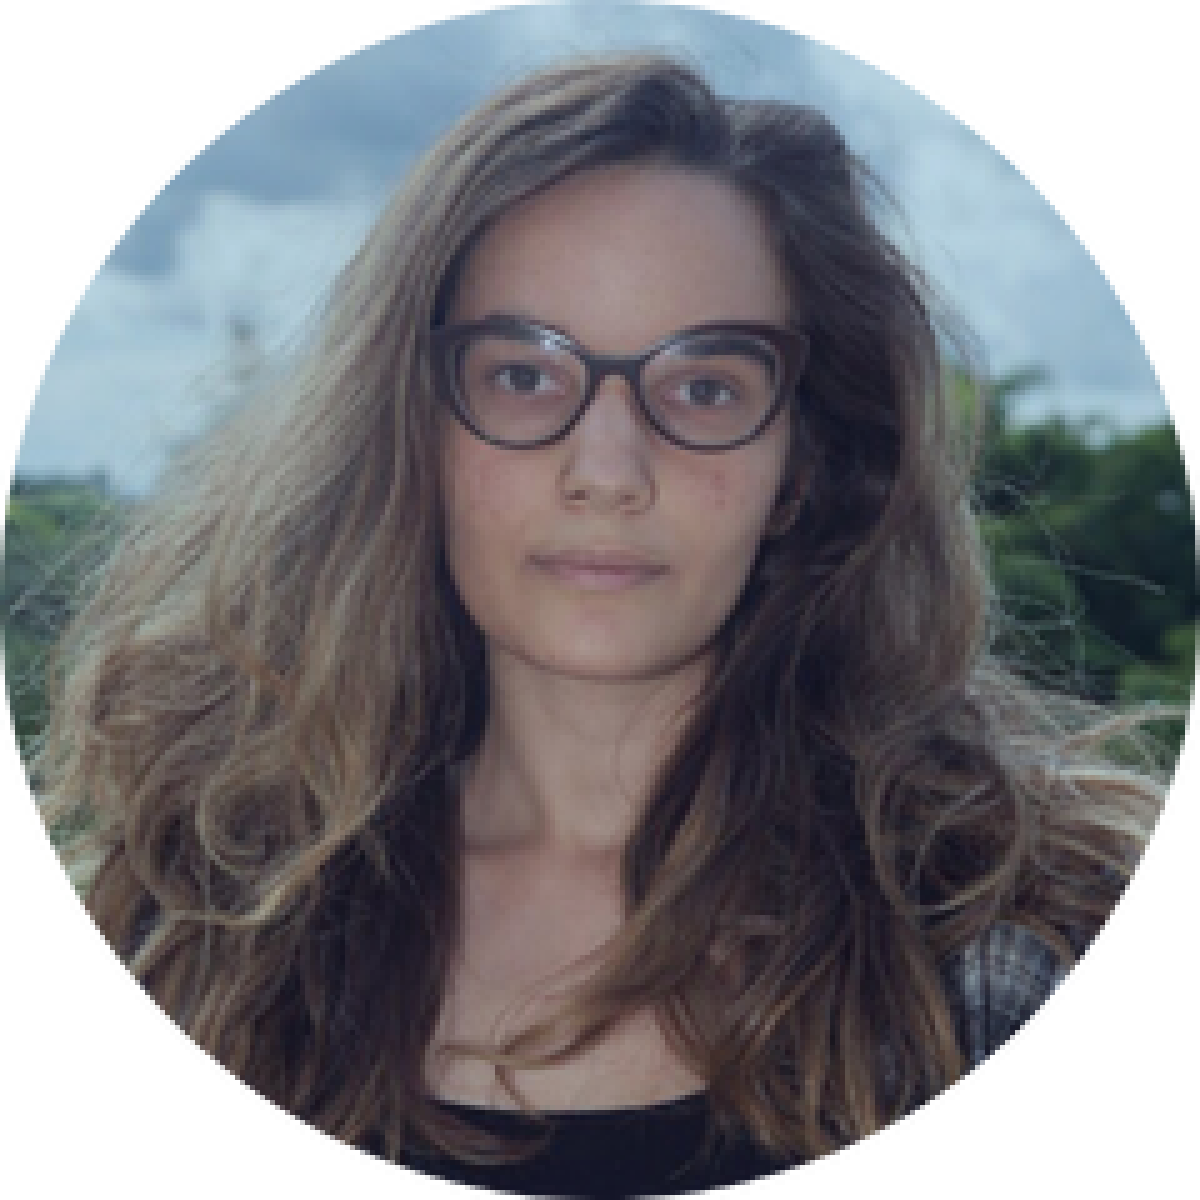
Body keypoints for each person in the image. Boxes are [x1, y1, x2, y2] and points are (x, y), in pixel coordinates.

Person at [33, 54, 1171, 1196]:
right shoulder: (198, 933)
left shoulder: (1009, 944)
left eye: (706, 387)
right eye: (524, 376)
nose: (609, 471)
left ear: (804, 464)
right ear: (412, 431)